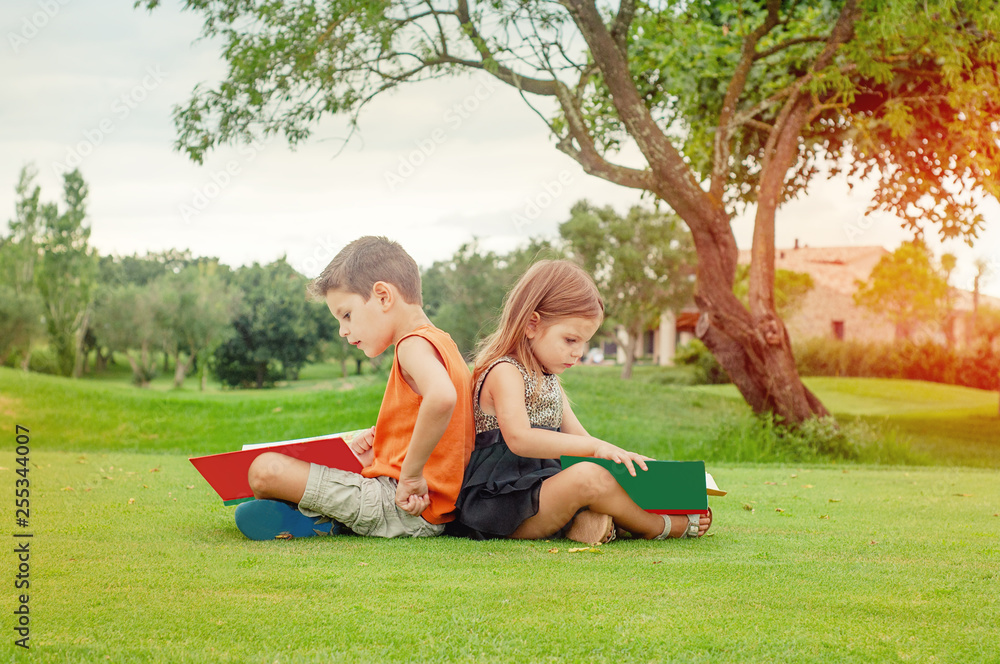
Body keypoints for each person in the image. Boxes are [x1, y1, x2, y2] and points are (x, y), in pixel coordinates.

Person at [452, 260, 712, 543]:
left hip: (544, 493)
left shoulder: (549, 379)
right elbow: (520, 439)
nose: (579, 353)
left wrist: (633, 462)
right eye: (571, 339)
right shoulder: (505, 371)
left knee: (600, 471)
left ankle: (602, 522)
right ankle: (658, 525)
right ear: (531, 325)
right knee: (588, 476)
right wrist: (597, 448)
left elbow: (580, 439)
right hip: (501, 503)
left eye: (584, 342)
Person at [234, 236, 475, 540]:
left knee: (264, 470)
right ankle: (319, 518)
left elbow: (442, 398)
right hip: (413, 503)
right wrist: (383, 447)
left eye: (346, 315)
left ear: (383, 296)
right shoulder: (442, 343)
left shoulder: (412, 346)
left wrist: (411, 476)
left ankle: (316, 517)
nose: (342, 331)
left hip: (400, 505)